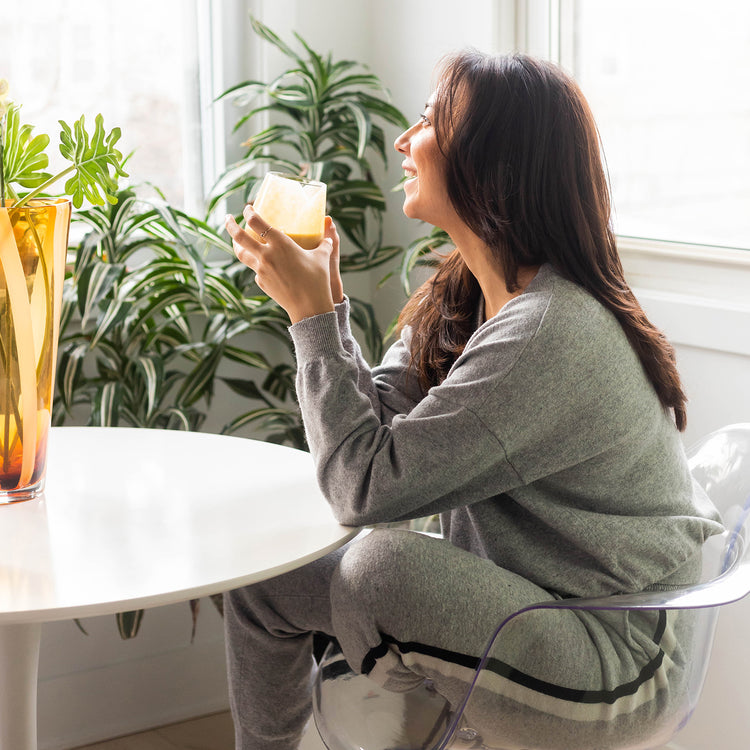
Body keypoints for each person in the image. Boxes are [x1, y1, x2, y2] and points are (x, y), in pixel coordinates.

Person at [223, 50, 723, 750]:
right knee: (267, 578)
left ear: (493, 162)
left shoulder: (550, 329)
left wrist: (311, 318)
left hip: (610, 653)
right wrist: (326, 304)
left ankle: (397, 693)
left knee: (380, 572)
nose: (404, 140)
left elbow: (360, 487)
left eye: (430, 119)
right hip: (523, 609)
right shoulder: (464, 298)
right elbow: (370, 436)